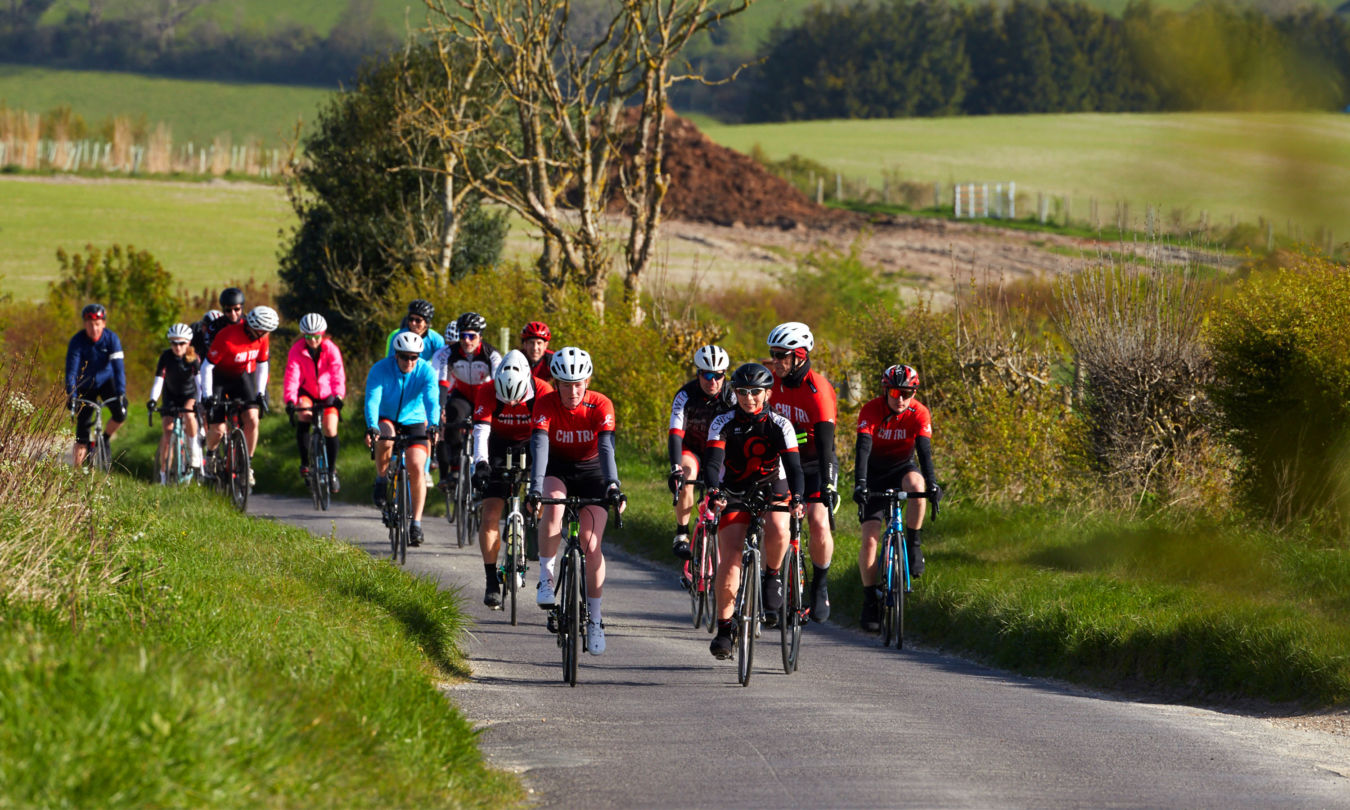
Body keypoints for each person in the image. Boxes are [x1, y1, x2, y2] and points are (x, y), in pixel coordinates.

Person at [701, 362, 805, 659]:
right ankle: (724, 629)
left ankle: (772, 575)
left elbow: (795, 467)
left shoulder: (780, 424)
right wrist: (713, 490)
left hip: (774, 485)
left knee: (779, 527)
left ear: (767, 393)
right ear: (734, 392)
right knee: (731, 557)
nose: (749, 398)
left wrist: (797, 497)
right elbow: (712, 463)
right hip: (735, 489)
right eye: (743, 392)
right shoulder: (722, 422)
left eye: (756, 392)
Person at [527, 347, 625, 655]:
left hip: (593, 471)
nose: (573, 390)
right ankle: (546, 576)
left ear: (588, 380)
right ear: (555, 382)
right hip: (557, 470)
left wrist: (613, 485)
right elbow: (540, 447)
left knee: (590, 543)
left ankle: (595, 619)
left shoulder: (600, 404)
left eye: (579, 383)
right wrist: (533, 488)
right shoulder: (544, 404)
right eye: (566, 384)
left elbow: (607, 448)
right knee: (553, 505)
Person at [853, 364, 941, 632]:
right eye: (894, 392)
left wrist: (934, 484)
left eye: (907, 392)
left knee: (917, 484)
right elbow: (863, 449)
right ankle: (870, 599)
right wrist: (860, 484)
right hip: (874, 474)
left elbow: (924, 452)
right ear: (885, 390)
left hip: (902, 468)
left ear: (913, 392)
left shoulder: (919, 412)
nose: (900, 399)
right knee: (869, 543)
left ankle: (913, 542)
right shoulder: (871, 410)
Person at [766, 321, 838, 622]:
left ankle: (820, 587)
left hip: (814, 462)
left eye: (781, 355)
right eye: (773, 353)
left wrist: (827, 489)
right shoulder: (771, 380)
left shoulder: (818, 390)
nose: (776, 361)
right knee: (774, 521)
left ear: (799, 356)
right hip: (781, 462)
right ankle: (769, 578)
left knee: (819, 522)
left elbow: (824, 445)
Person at [470, 350, 553, 607]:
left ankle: (529, 531)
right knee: (491, 512)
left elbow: (548, 434)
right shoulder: (486, 390)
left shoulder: (543, 390)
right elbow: (481, 432)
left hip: (533, 442)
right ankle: (491, 580)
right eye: (507, 401)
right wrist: (480, 464)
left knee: (539, 498)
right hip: (498, 445)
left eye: (517, 400)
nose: (513, 406)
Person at [365, 331, 441, 547]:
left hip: (414, 419)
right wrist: (371, 425)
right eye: (404, 356)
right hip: (386, 417)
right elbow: (372, 400)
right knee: (385, 438)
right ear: (396, 355)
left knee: (417, 465)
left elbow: (432, 400)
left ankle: (416, 523)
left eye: (414, 357)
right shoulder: (380, 369)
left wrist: (434, 424)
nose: (409, 361)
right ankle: (381, 478)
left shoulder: (425, 371)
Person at [667, 344, 733, 561]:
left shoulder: (732, 397)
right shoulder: (685, 395)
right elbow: (676, 433)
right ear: (698, 373)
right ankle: (682, 533)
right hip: (692, 449)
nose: (712, 381)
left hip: (720, 452)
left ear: (725, 375)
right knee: (686, 472)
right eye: (706, 374)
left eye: (718, 375)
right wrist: (675, 468)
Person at [201, 305, 277, 487]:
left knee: (252, 418)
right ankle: (211, 454)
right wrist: (208, 395)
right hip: (218, 377)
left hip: (240, 377)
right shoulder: (227, 337)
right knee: (218, 429)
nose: (263, 334)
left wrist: (260, 392)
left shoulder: (263, 337)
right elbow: (207, 366)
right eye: (261, 330)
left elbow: (262, 364)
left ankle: (247, 465)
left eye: (266, 331)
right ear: (251, 326)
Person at [433, 311, 501, 491]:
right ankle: (455, 467)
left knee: (491, 428)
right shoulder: (450, 353)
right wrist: (440, 408)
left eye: (472, 336)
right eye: (463, 335)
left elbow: (496, 383)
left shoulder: (491, 354)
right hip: (462, 394)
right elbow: (442, 382)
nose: (467, 341)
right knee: (452, 414)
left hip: (484, 395)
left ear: (480, 336)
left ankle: (488, 466)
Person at [283, 313, 346, 494]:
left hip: (327, 393)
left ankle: (332, 471)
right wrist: (290, 400)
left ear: (323, 334)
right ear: (304, 336)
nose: (312, 341)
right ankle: (305, 463)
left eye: (316, 337)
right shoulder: (296, 350)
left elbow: (337, 374)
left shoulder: (331, 349)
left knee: (330, 428)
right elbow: (292, 377)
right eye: (308, 337)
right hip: (307, 391)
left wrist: (338, 396)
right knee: (304, 413)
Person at [64, 303, 127, 467]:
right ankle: (76, 474)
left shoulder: (112, 339)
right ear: (85, 324)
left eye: (97, 324)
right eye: (90, 324)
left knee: (120, 414)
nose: (94, 328)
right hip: (85, 385)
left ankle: (104, 439)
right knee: (82, 432)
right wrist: (72, 395)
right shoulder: (77, 341)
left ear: (104, 324)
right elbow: (71, 371)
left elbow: (118, 368)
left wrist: (121, 393)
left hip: (107, 381)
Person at [147, 323, 201, 481]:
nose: (177, 347)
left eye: (182, 343)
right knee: (167, 431)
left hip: (189, 395)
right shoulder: (166, 357)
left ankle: (193, 448)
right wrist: (152, 400)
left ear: (188, 343)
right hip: (170, 395)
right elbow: (158, 381)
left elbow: (199, 383)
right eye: (174, 343)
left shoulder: (193, 358)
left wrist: (201, 400)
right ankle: (164, 475)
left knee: (189, 416)